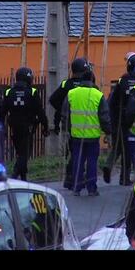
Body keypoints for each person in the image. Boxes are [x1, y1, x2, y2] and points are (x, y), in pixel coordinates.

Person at [62, 67, 111, 196]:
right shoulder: (98, 95)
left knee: (77, 161)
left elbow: (65, 115)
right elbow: (104, 117)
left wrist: (67, 130)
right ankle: (91, 188)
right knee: (92, 162)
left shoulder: (71, 94)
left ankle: (76, 188)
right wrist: (108, 132)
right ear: (93, 81)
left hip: (76, 136)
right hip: (93, 137)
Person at [49, 57, 97, 189]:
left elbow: (53, 99)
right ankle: (74, 178)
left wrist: (62, 111)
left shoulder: (67, 84)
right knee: (83, 155)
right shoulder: (88, 84)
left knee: (75, 152)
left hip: (70, 124)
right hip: (88, 125)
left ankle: (72, 179)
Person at [102, 52, 135, 186]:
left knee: (118, 147)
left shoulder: (123, 80)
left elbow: (112, 101)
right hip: (132, 121)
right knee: (128, 149)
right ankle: (124, 177)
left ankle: (109, 166)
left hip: (118, 120)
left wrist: (112, 120)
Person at [0, 67, 49, 181]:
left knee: (20, 152)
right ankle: (15, 174)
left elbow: (2, 112)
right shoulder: (32, 92)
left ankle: (23, 178)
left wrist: (2, 128)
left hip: (14, 127)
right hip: (28, 127)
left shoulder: (9, 92)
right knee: (24, 154)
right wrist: (45, 126)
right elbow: (40, 112)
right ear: (28, 78)